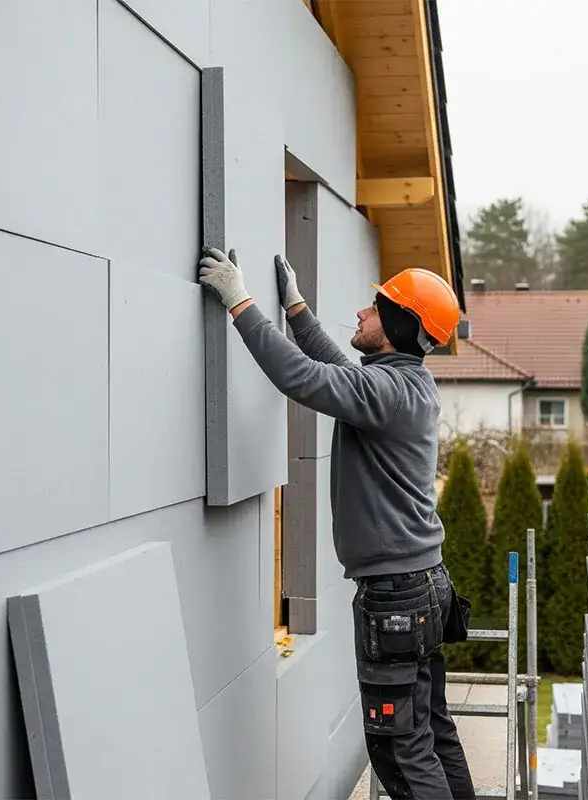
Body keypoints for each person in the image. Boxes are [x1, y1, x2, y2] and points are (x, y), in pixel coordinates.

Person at [198, 246, 477, 800]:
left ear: (400, 324)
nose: (362, 312)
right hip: (422, 585)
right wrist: (296, 309)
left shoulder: (386, 392)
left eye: (376, 307)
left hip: (397, 596)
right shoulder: (402, 385)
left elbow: (303, 378)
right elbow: (337, 369)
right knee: (431, 732)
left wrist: (239, 302)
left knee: (400, 747)